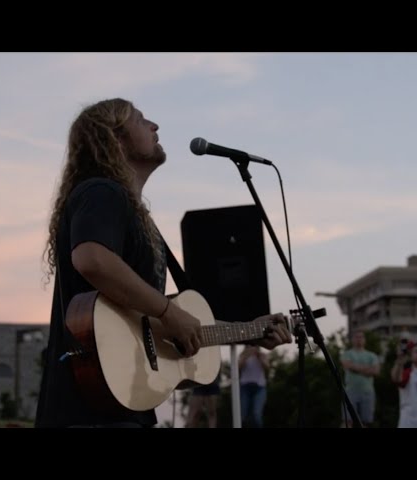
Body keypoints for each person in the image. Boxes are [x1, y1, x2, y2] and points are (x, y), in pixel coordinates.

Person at [35, 98, 292, 428]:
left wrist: (249, 331)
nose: (155, 126)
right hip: (87, 411)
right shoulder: (102, 191)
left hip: (123, 405)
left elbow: (148, 323)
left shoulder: (136, 217)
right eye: (141, 121)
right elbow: (92, 260)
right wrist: (170, 312)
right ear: (114, 137)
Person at [340, 330, 380, 427]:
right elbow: (347, 365)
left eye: (361, 337)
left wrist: (355, 368)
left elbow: (375, 371)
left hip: (367, 392)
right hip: (350, 391)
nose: (359, 339)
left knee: (365, 422)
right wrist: (367, 368)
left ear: (364, 340)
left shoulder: (372, 355)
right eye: (356, 337)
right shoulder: (347, 354)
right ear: (352, 340)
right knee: (347, 421)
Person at [238, 345, 268, 428]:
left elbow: (267, 367)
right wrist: (246, 355)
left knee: (256, 414)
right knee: (243, 415)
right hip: (245, 387)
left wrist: (259, 357)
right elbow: (238, 367)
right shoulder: (243, 355)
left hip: (259, 388)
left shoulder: (262, 355)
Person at [390, 340, 417, 428]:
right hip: (409, 421)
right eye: (416, 351)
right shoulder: (408, 373)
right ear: (411, 355)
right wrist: (399, 362)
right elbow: (396, 379)